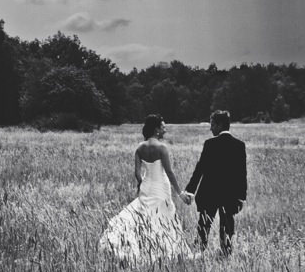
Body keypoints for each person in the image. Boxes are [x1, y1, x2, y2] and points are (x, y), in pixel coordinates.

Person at [98, 114, 193, 263]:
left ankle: (145, 247)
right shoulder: (162, 148)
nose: (165, 129)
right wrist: (180, 192)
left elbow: (137, 172)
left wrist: (142, 183)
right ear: (156, 129)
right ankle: (164, 250)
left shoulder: (140, 147)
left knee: (144, 217)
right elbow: (169, 172)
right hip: (161, 186)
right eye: (163, 127)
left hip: (147, 186)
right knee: (163, 217)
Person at [185, 109, 247, 254]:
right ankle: (226, 253)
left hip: (209, 193)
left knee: (203, 227)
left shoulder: (210, 144)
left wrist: (190, 190)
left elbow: (200, 169)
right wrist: (242, 197)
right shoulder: (239, 145)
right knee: (227, 227)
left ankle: (198, 254)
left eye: (212, 124)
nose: (210, 128)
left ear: (219, 125)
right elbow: (241, 173)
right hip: (230, 195)